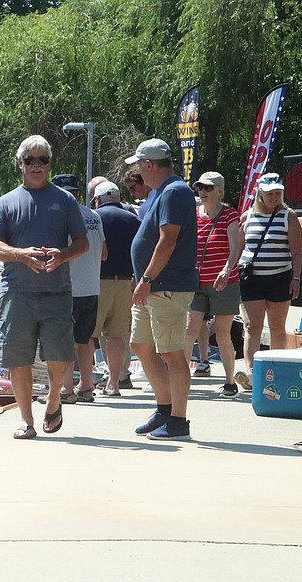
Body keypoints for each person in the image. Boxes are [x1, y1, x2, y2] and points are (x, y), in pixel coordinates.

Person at [0, 134, 89, 440]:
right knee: (18, 357)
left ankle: (54, 398)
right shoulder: (6, 202)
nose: (36, 165)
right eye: (29, 160)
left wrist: (64, 255)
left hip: (57, 291)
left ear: (50, 163)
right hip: (17, 292)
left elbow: (82, 243)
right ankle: (26, 421)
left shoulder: (65, 200)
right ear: (20, 163)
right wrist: (21, 255)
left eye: (42, 159)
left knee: (61, 357)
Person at [126, 138, 200, 441]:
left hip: (165, 285)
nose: (137, 172)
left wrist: (147, 278)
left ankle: (179, 421)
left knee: (171, 352)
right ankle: (164, 409)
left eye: (138, 165)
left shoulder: (175, 191)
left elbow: (168, 239)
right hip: (153, 286)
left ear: (148, 165)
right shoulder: (161, 192)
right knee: (140, 345)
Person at [235, 172, 302, 388]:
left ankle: (276, 369)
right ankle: (252, 372)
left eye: (278, 193)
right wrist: (229, 271)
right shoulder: (247, 217)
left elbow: (297, 253)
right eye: (270, 193)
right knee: (251, 326)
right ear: (260, 194)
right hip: (251, 278)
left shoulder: (288, 216)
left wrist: (296, 278)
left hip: (279, 277)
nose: (275, 197)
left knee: (276, 327)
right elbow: (238, 249)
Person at [184, 171, 242, 398]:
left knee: (222, 333)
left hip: (224, 283)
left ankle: (229, 382)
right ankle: (183, 379)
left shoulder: (230, 215)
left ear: (220, 190)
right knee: (189, 330)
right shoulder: (193, 214)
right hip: (196, 281)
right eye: (200, 188)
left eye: (208, 188)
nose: (203, 192)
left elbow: (235, 247)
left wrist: (227, 270)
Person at [52, 174, 106, 404]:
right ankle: (86, 386)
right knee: (84, 340)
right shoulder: (94, 215)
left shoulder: (61, 217)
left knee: (63, 340)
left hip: (69, 288)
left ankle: (66, 389)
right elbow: (104, 253)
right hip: (92, 286)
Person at [91, 180, 141, 396]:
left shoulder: (94, 219)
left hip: (97, 281)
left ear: (98, 199)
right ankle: (116, 380)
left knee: (87, 335)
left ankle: (85, 383)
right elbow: (142, 250)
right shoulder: (134, 219)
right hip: (126, 281)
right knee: (118, 334)